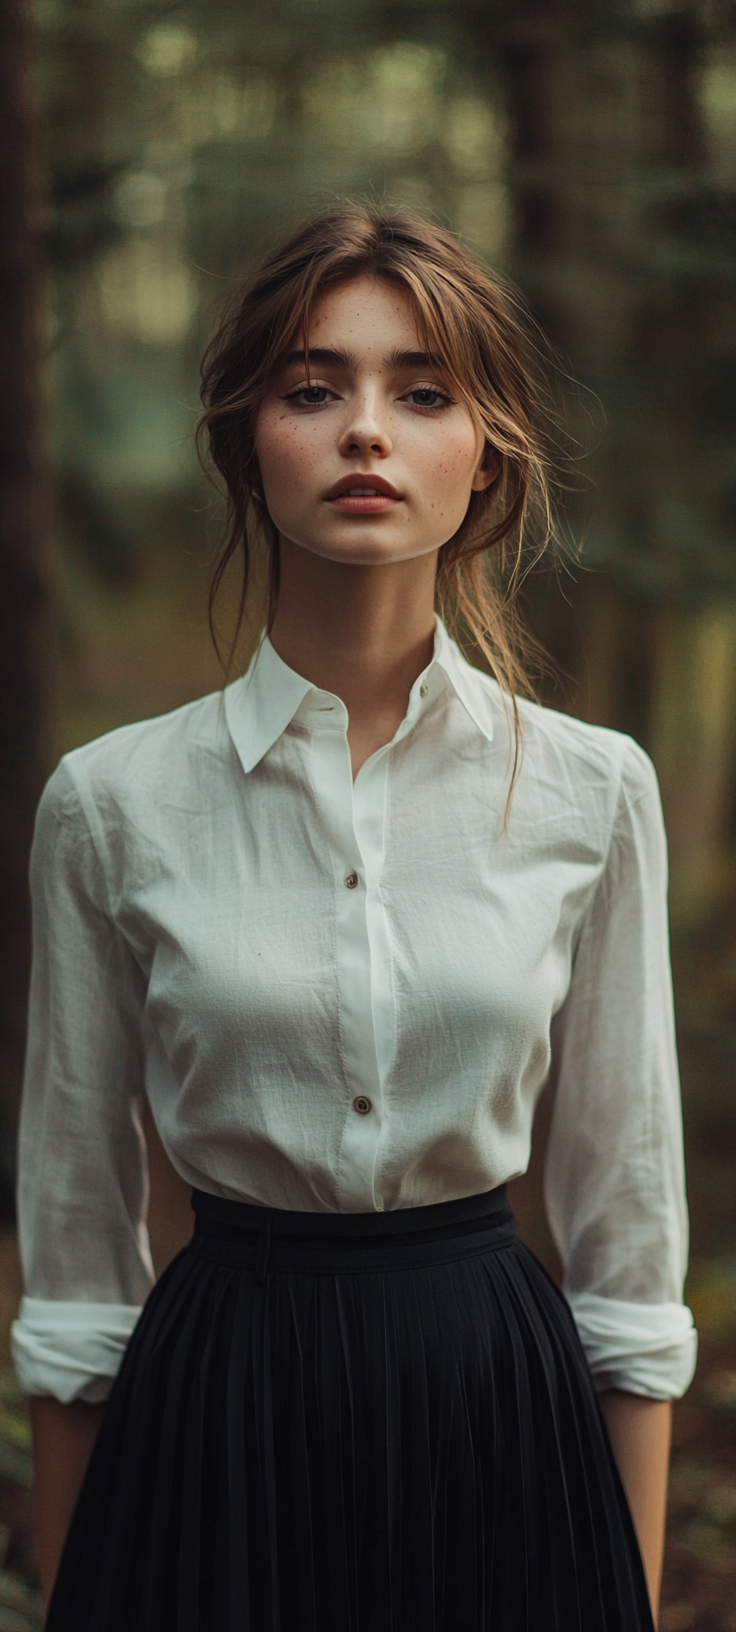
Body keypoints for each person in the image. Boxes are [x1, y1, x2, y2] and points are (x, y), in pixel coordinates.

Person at [14, 206, 696, 1631]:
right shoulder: (109, 803)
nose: (367, 432)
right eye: (313, 388)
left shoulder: (591, 791)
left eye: (424, 391)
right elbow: (76, 1276)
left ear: (487, 451)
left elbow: (630, 1261)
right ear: (244, 444)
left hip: (496, 1414)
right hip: (215, 1418)